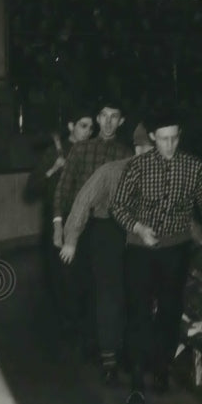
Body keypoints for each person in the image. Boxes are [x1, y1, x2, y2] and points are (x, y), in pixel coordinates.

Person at [109, 108, 202, 404]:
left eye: (174, 139)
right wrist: (138, 228)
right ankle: (137, 381)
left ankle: (161, 369)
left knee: (169, 312)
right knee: (139, 312)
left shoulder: (192, 166)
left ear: (179, 136)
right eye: (163, 139)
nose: (169, 145)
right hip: (140, 249)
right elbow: (118, 206)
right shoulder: (138, 166)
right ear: (153, 137)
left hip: (175, 250)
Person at [59, 123, 153, 385]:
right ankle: (109, 359)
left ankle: (131, 353)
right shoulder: (111, 171)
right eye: (150, 150)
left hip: (137, 234)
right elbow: (83, 201)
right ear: (138, 149)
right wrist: (71, 240)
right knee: (110, 293)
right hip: (107, 231)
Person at [51, 99, 131, 356]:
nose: (108, 121)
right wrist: (58, 224)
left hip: (107, 226)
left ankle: (102, 344)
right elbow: (63, 188)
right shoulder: (81, 149)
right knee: (77, 284)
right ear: (97, 118)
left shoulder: (126, 154)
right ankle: (79, 341)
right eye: (104, 115)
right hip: (77, 225)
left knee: (106, 286)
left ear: (121, 121)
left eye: (114, 116)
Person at [23, 105, 94, 338]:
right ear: (71, 126)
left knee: (83, 276)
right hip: (57, 224)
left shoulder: (91, 151)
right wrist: (53, 169)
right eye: (83, 126)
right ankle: (67, 330)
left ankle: (80, 327)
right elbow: (31, 190)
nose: (88, 131)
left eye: (91, 127)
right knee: (63, 279)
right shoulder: (54, 152)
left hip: (84, 223)